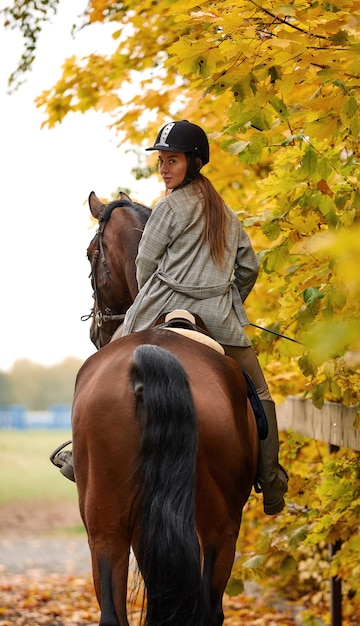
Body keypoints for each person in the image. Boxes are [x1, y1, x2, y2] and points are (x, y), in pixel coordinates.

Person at [51, 120, 288, 515]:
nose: (164, 169)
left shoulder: (168, 207)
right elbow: (249, 267)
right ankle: (272, 480)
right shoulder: (227, 214)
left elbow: (144, 263)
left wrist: (155, 298)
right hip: (219, 320)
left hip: (158, 309)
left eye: (172, 160)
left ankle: (79, 452)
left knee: (103, 367)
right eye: (161, 161)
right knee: (259, 394)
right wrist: (227, 300)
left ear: (193, 162)